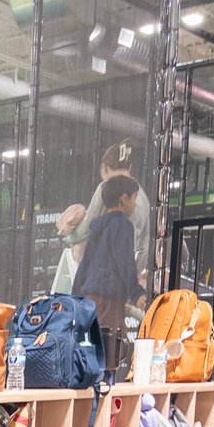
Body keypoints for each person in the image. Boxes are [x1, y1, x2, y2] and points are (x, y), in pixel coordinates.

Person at [73, 175, 146, 341]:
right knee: (110, 347)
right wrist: (136, 293)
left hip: (89, 299)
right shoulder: (122, 224)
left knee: (93, 346)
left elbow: (85, 264)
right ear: (123, 199)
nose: (135, 204)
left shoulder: (98, 228)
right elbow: (125, 262)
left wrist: (75, 297)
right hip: (108, 300)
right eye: (134, 198)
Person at [68, 139, 153, 281]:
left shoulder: (106, 188)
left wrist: (69, 236)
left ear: (105, 168)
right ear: (130, 167)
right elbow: (145, 245)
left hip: (103, 272)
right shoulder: (143, 197)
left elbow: (86, 228)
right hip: (126, 271)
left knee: (78, 248)